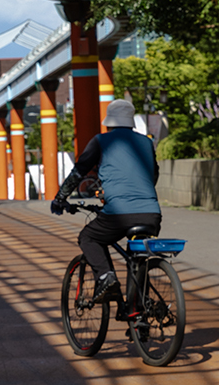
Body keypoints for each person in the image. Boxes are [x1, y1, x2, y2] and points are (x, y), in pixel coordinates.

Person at [51, 96, 160, 308]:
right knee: (137, 257)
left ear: (109, 122)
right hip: (151, 213)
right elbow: (152, 175)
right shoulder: (146, 142)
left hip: (118, 214)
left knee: (89, 237)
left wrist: (60, 198)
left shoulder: (101, 141)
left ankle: (105, 277)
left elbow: (79, 171)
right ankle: (138, 312)